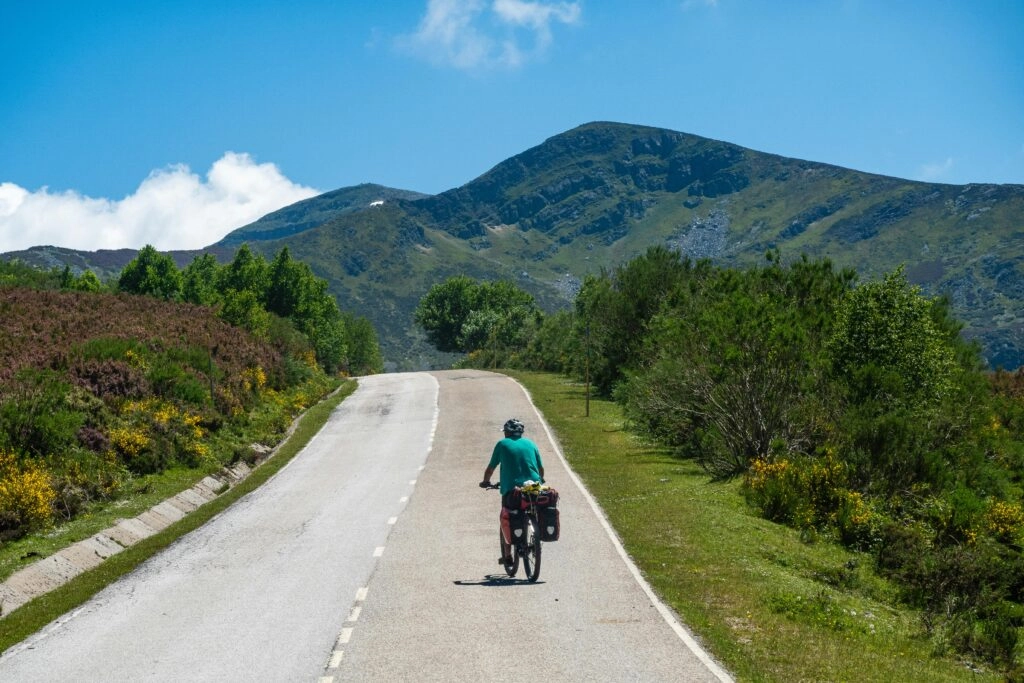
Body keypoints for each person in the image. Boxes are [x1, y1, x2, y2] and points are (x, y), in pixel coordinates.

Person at [479, 418, 545, 564]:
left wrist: (485, 482)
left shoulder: (502, 444)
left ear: (507, 432)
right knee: (532, 508)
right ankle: (534, 532)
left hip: (512, 490)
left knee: (507, 516)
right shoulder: (531, 443)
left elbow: (491, 467)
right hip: (534, 487)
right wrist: (541, 480)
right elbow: (540, 468)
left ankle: (507, 556)